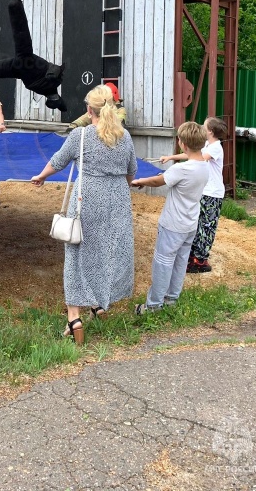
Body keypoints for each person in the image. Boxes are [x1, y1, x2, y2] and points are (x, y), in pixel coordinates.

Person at [31, 85, 138, 344]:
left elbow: (58, 161)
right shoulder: (124, 136)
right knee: (106, 250)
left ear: (89, 109)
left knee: (78, 253)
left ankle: (74, 318)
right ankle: (99, 304)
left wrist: (41, 177)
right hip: (117, 201)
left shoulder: (81, 135)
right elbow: (131, 172)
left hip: (87, 198)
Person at [132, 121, 209, 314]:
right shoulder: (205, 166)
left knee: (163, 263)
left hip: (173, 224)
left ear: (182, 143)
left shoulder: (181, 169)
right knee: (180, 261)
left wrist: (139, 181)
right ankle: (171, 299)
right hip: (190, 223)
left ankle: (153, 305)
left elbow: (160, 180)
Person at [160, 117, 227, 273]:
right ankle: (193, 256)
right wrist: (171, 157)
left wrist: (179, 169)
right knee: (198, 224)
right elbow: (192, 154)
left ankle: (200, 260)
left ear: (210, 131)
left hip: (213, 194)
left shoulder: (216, 147)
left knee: (207, 226)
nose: (201, 127)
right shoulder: (206, 144)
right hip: (204, 191)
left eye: (204, 125)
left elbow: (198, 158)